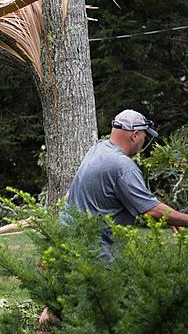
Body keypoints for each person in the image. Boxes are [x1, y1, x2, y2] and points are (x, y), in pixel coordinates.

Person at [62, 109, 188, 259]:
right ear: (134, 135)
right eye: (144, 134)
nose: (145, 139)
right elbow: (151, 211)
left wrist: (170, 217)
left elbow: (141, 198)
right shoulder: (122, 166)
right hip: (97, 259)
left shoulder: (98, 149)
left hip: (70, 245)